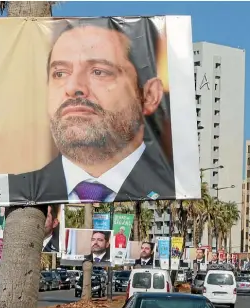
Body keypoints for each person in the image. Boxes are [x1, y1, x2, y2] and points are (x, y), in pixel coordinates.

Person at [11, 19, 175, 203]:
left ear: (149, 95)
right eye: (60, 73)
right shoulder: (15, 193)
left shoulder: (174, 189)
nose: (72, 87)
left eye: (99, 71)